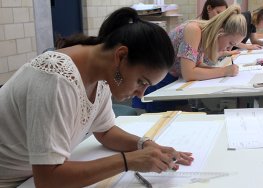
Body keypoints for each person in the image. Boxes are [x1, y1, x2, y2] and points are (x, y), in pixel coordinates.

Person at [0, 7, 193, 187]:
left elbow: (105, 131)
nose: (140, 94)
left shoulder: (103, 75)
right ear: (120, 56)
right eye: (141, 82)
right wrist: (128, 161)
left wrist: (146, 145)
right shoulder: (56, 79)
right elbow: (48, 179)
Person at [132, 5, 247, 112]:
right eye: (230, 43)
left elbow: (198, 64)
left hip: (172, 78)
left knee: (188, 114)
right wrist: (224, 71)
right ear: (221, 33)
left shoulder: (205, 35)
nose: (230, 48)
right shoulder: (194, 30)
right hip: (156, 78)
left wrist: (221, 70)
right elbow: (189, 73)